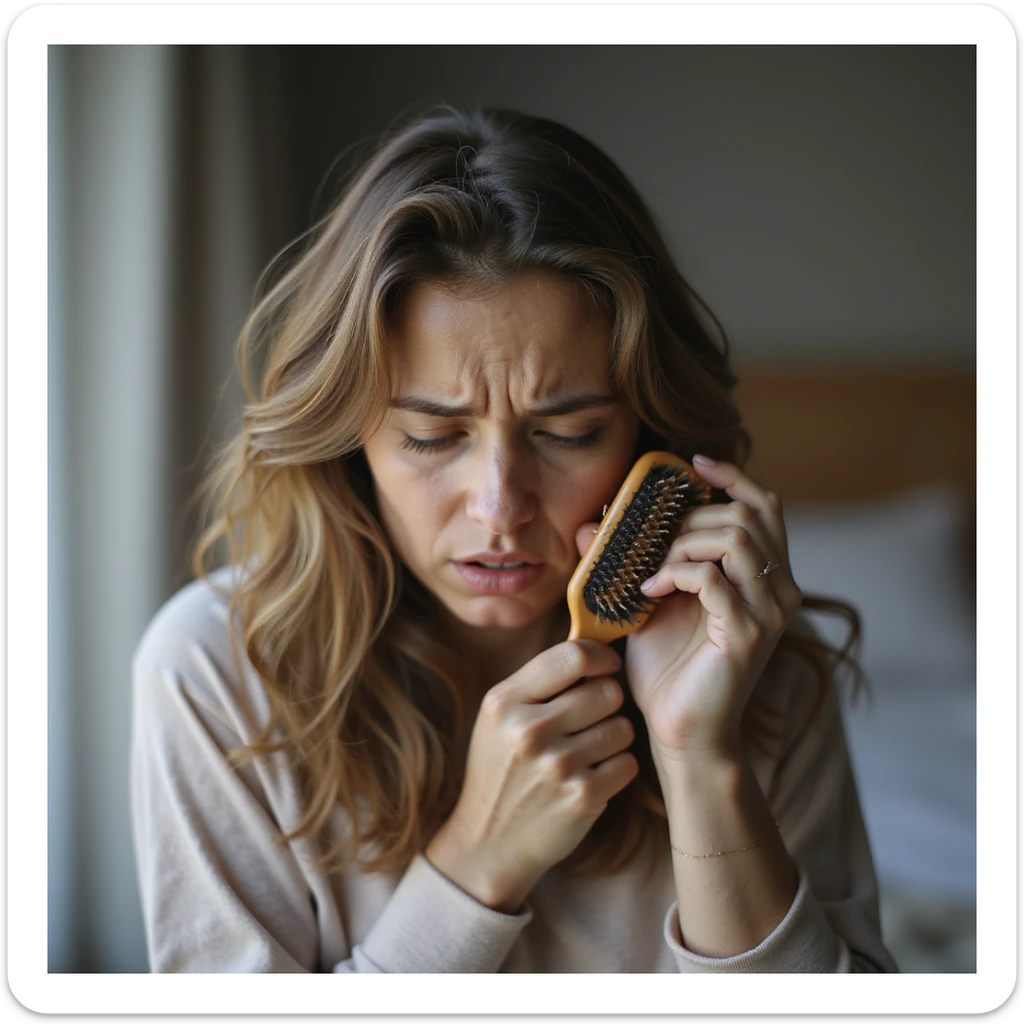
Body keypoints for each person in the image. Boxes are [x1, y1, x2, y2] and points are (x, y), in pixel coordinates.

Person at [129, 103, 898, 973]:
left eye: (568, 433)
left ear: (649, 437)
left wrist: (700, 761)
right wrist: (477, 864)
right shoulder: (218, 674)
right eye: (432, 435)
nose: (500, 507)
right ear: (349, 442)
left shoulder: (756, 675)